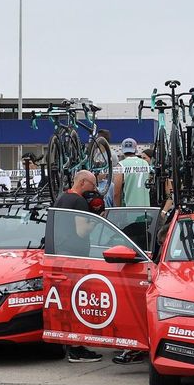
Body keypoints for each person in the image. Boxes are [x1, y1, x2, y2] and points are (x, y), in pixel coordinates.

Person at [51, 170, 105, 363]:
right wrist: (98, 220)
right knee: (76, 302)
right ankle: (76, 348)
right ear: (83, 182)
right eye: (93, 184)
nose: (95, 189)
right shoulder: (79, 202)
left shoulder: (61, 198)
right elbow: (82, 231)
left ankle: (68, 343)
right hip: (75, 258)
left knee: (65, 302)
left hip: (60, 255)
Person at [112, 138, 151, 208]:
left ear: (122, 150)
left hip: (130, 209)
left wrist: (118, 208)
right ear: (135, 150)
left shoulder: (120, 165)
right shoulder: (145, 163)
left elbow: (116, 193)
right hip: (146, 207)